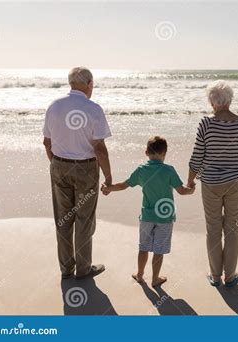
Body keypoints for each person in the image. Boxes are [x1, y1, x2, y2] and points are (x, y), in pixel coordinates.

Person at [187, 80, 238, 288]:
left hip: (210, 183)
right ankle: (230, 276)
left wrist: (189, 180)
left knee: (213, 229)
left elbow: (197, 156)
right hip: (236, 182)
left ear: (212, 102)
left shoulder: (205, 123)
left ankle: (215, 276)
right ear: (229, 101)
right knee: (232, 229)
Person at [43, 67, 112, 280]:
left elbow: (47, 142)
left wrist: (56, 164)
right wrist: (108, 177)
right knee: (84, 219)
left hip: (59, 165)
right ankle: (83, 269)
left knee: (63, 220)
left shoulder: (54, 106)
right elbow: (99, 148)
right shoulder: (93, 108)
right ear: (89, 83)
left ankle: (66, 269)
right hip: (86, 168)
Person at [101, 136, 194, 287]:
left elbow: (124, 185)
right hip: (165, 217)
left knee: (143, 247)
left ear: (146, 152)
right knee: (159, 250)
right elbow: (182, 191)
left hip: (147, 216)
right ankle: (155, 279)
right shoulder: (169, 170)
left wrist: (109, 188)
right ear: (165, 153)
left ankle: (139, 274)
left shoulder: (141, 170)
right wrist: (191, 190)